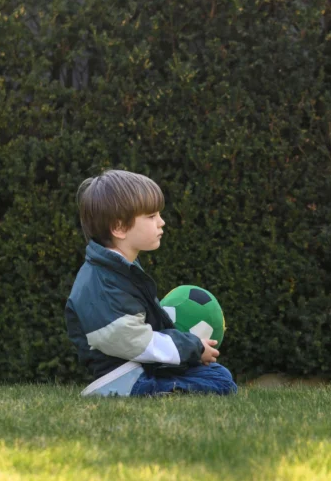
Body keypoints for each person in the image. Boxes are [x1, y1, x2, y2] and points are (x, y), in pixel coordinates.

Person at [65, 169, 237, 397]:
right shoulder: (102, 282)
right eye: (151, 216)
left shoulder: (120, 269)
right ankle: (138, 392)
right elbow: (136, 340)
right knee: (220, 383)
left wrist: (190, 351)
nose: (161, 222)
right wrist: (192, 347)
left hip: (140, 365)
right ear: (119, 227)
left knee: (218, 375)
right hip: (124, 376)